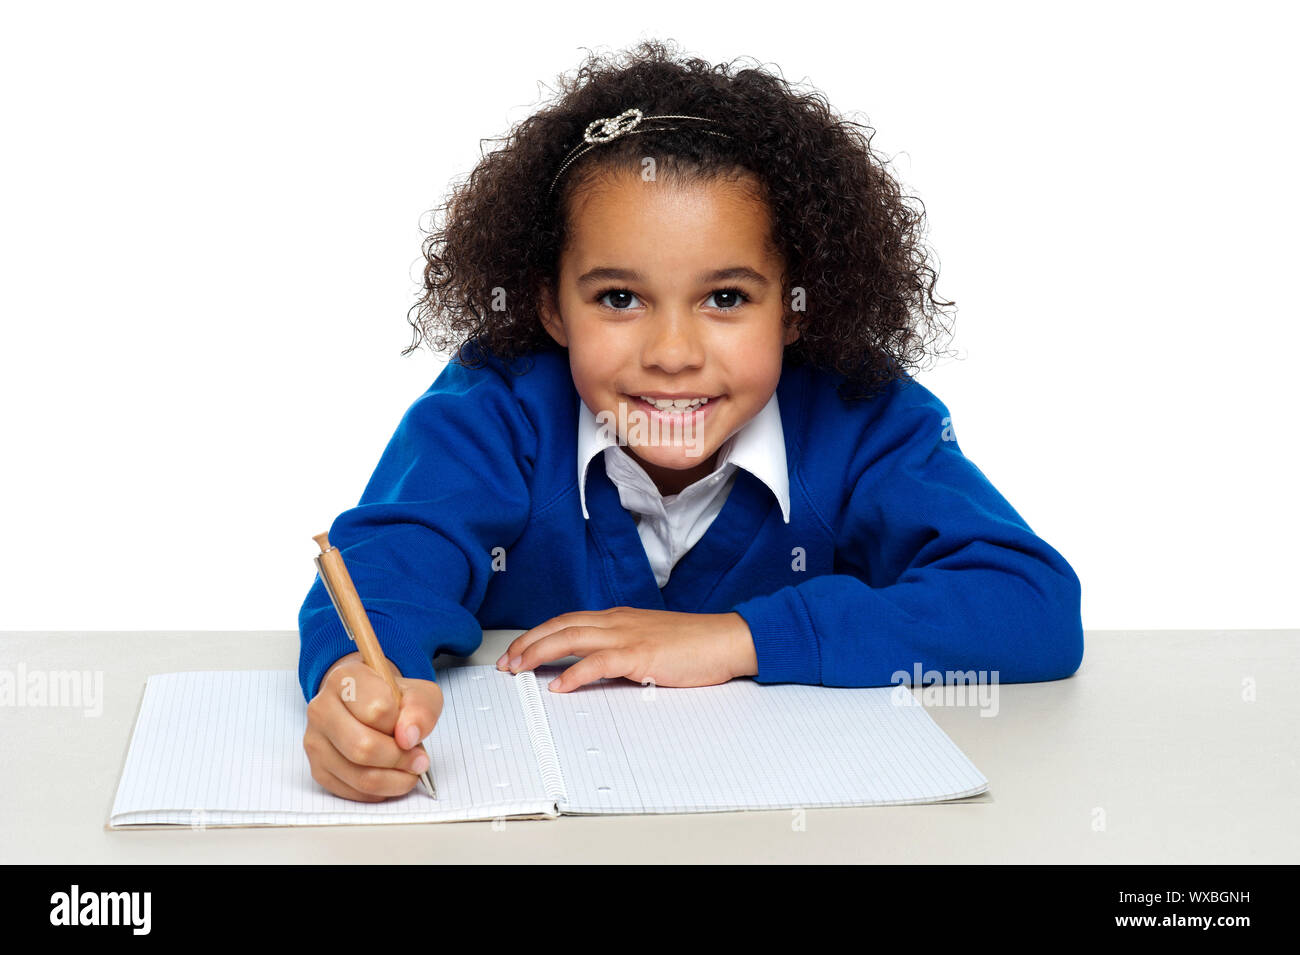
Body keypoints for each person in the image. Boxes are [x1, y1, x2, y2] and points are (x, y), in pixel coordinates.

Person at [298, 40, 1084, 803]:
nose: (673, 353)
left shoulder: (861, 417)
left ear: (796, 306)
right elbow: (384, 572)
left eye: (727, 298)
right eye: (618, 298)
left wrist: (736, 638)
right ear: (550, 306)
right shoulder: (496, 406)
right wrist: (358, 689)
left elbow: (1030, 602)